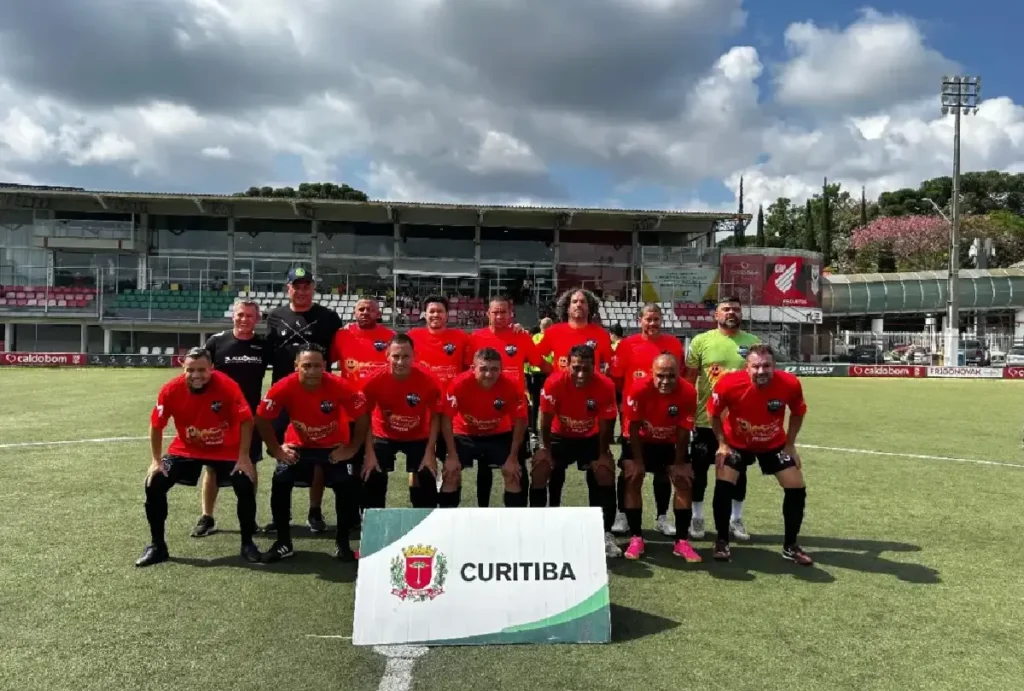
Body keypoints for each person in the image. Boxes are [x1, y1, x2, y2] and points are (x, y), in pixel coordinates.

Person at [136, 347, 262, 567]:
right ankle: (157, 547)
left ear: (211, 368)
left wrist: (243, 457)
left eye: (202, 370)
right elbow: (156, 424)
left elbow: (247, 420)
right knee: (154, 483)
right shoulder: (171, 390)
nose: (196, 375)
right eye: (191, 370)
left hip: (226, 449)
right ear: (182, 368)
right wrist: (156, 460)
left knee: (244, 481)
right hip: (187, 448)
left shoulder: (227, 386)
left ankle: (247, 544)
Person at [255, 345, 369, 562]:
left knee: (346, 486)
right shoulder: (284, 386)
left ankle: (343, 544)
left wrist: (352, 447)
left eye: (317, 366)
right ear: (296, 366)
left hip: (334, 446)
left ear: (325, 366)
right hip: (299, 445)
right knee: (280, 481)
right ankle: (283, 543)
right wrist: (276, 449)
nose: (312, 371)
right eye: (307, 366)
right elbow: (261, 418)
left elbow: (362, 415)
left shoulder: (339, 385)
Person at [707, 345, 812, 565]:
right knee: (724, 483)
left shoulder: (790, 383)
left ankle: (790, 546)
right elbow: (713, 414)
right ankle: (722, 540)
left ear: (775, 366)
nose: (761, 371)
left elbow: (798, 412)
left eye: (766, 366)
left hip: (774, 444)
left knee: (796, 487)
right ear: (747, 367)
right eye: (756, 366)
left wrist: (790, 445)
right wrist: (722, 445)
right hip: (736, 443)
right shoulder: (728, 383)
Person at [264, 267, 344, 534]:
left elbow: (336, 354)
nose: (301, 291)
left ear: (313, 288)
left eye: (306, 286)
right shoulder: (275, 316)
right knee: (283, 453)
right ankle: (281, 516)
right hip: (284, 397)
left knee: (320, 457)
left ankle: (314, 511)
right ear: (288, 288)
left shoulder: (329, 317)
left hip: (318, 397)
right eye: (296, 286)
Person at [684, 296, 761, 542]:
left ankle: (735, 519)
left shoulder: (753, 343)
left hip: (739, 423)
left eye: (736, 309)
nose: (731, 313)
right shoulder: (701, 341)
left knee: (739, 472)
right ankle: (697, 517)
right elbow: (689, 382)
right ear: (716, 315)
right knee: (699, 472)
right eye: (726, 309)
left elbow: (760, 383)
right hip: (706, 420)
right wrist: (687, 416)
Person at [532, 345, 621, 557]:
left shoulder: (605, 385)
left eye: (586, 369)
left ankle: (604, 532)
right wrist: (545, 449)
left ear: (594, 367)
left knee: (604, 471)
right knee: (541, 468)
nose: (581, 374)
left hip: (590, 438)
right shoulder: (554, 382)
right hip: (559, 436)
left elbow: (607, 423)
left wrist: (603, 453)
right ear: (568, 365)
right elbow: (545, 421)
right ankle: (539, 528)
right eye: (576, 368)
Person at [192, 298, 268, 538]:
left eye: (249, 315)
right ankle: (207, 516)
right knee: (212, 468)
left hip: (250, 417)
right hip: (217, 416)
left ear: (257, 319)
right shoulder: (216, 342)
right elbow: (199, 373)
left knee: (250, 465)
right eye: (240, 314)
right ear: (232, 316)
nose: (244, 319)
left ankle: (249, 517)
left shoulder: (263, 345)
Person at [465, 296, 550, 506]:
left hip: (516, 411)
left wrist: (562, 377)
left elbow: (539, 363)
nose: (499, 316)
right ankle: (483, 510)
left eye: (503, 312)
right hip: (486, 410)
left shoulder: (521, 337)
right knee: (485, 466)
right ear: (488, 314)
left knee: (518, 462)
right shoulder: (476, 338)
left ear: (511, 313)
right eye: (495, 312)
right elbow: (467, 370)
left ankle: (519, 511)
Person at [611, 303, 685, 537]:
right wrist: (628, 406)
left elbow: (679, 378)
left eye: (656, 319)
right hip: (634, 420)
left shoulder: (674, 344)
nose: (652, 323)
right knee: (630, 470)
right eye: (648, 319)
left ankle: (662, 517)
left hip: (665, 421)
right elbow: (617, 381)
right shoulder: (626, 345)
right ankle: (622, 514)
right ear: (639, 320)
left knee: (663, 472)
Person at [620, 354, 701, 562]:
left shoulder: (688, 392)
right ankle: (636, 538)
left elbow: (683, 430)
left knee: (683, 480)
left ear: (679, 374)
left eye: (671, 376)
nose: (665, 381)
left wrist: (679, 463)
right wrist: (638, 462)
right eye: (660, 376)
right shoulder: (638, 389)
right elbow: (633, 428)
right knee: (633, 477)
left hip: (670, 442)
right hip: (640, 441)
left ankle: (681, 541)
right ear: (652, 373)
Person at [361, 334, 444, 510]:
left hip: (418, 435)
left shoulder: (429, 379)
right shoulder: (373, 380)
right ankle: (374, 519)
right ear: (387, 356)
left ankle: (425, 517)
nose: (400, 361)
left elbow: (436, 415)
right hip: (383, 434)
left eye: (405, 356)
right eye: (396, 356)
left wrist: (430, 451)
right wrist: (369, 453)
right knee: (372, 473)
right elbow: (365, 415)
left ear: (414, 356)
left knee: (427, 474)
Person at [440, 348, 529, 507]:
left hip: (498, 434)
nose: (489, 374)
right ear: (472, 368)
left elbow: (521, 421)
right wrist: (452, 455)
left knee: (512, 474)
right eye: (483, 369)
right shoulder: (459, 384)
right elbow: (446, 418)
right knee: (451, 473)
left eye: (494, 369)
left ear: (501, 369)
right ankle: (446, 518)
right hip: (465, 433)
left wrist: (513, 457)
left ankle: (513, 520)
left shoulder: (511, 385)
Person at [535, 288, 613, 374]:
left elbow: (609, 365)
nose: (578, 304)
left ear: (589, 308)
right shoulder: (553, 331)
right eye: (574, 301)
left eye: (583, 302)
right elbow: (534, 355)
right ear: (567, 308)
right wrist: (551, 371)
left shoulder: (602, 334)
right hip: (562, 382)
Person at [525, 317, 554, 436]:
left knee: (536, 402)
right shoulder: (550, 338)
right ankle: (548, 428)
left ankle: (534, 429)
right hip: (547, 373)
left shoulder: (535, 337)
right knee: (549, 402)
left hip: (536, 373)